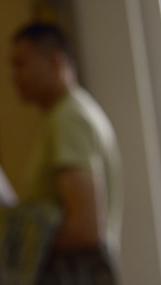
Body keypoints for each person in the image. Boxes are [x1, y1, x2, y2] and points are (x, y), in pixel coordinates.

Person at [9, 22, 122, 284]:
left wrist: (13, 233)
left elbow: (84, 227)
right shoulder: (71, 112)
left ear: (55, 61)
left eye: (20, 64)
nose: (13, 76)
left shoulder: (68, 117)